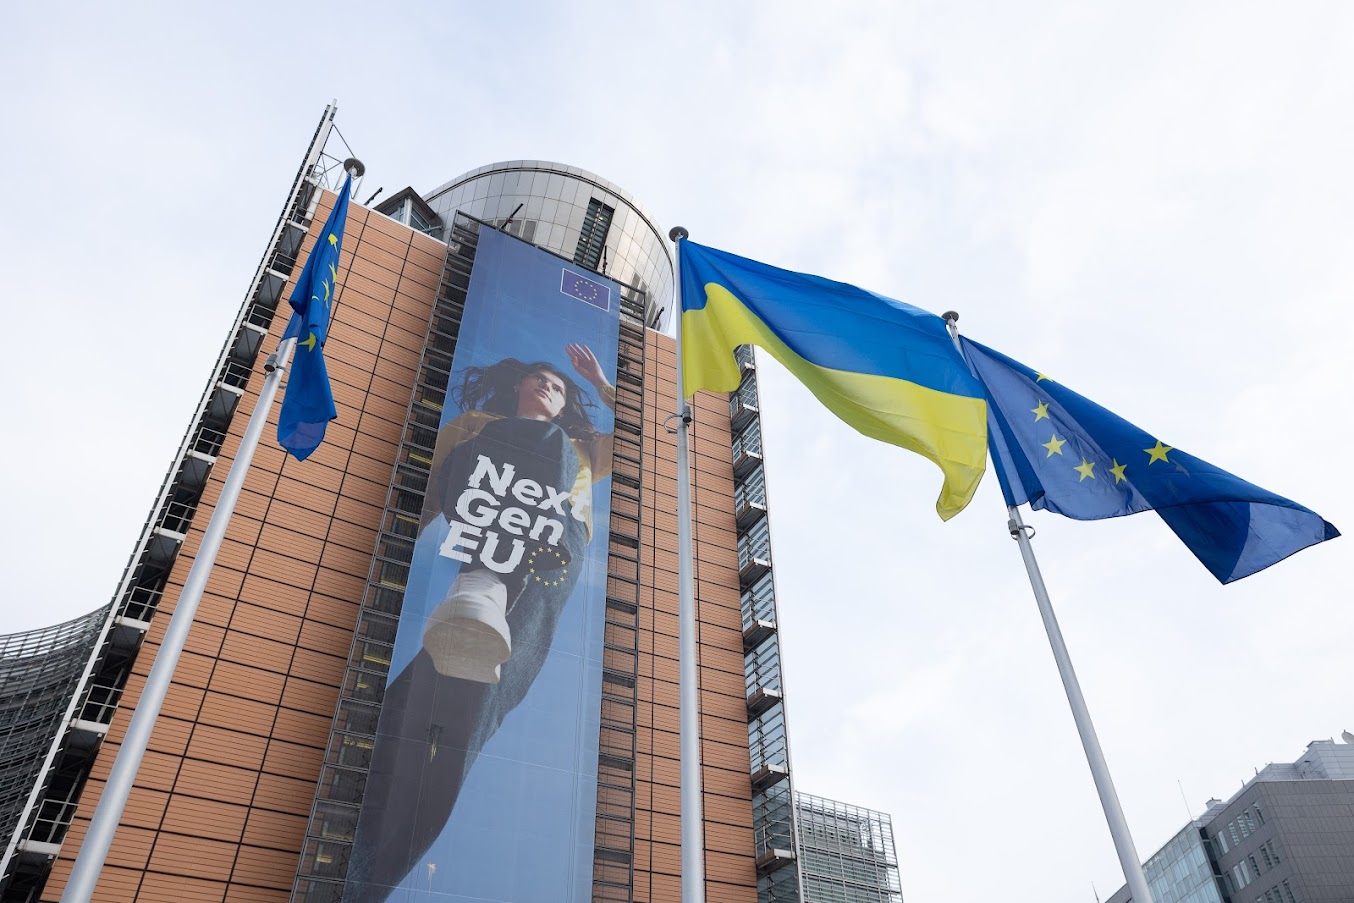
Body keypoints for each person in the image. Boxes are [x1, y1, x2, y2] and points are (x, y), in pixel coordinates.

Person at [344, 344, 614, 902]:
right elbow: (429, 489)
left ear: (567, 405)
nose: (546, 386)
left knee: (448, 725)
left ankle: (485, 590)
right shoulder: (477, 427)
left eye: (558, 386)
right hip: (484, 513)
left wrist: (602, 384)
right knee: (405, 724)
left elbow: (650, 437)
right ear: (518, 385)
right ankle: (482, 587)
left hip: (551, 544)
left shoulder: (583, 447)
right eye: (538, 378)